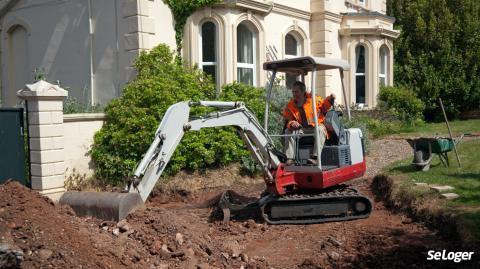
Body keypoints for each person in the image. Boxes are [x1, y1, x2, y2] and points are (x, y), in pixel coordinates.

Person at [282, 81, 335, 165]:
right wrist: (292, 123)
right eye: (293, 92)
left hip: (315, 126)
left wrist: (330, 99)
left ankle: (315, 158)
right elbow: (289, 120)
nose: (294, 94)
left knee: (320, 129)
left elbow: (325, 106)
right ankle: (290, 158)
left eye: (296, 92)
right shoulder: (290, 105)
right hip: (302, 129)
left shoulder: (314, 100)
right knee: (288, 131)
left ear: (303, 92)